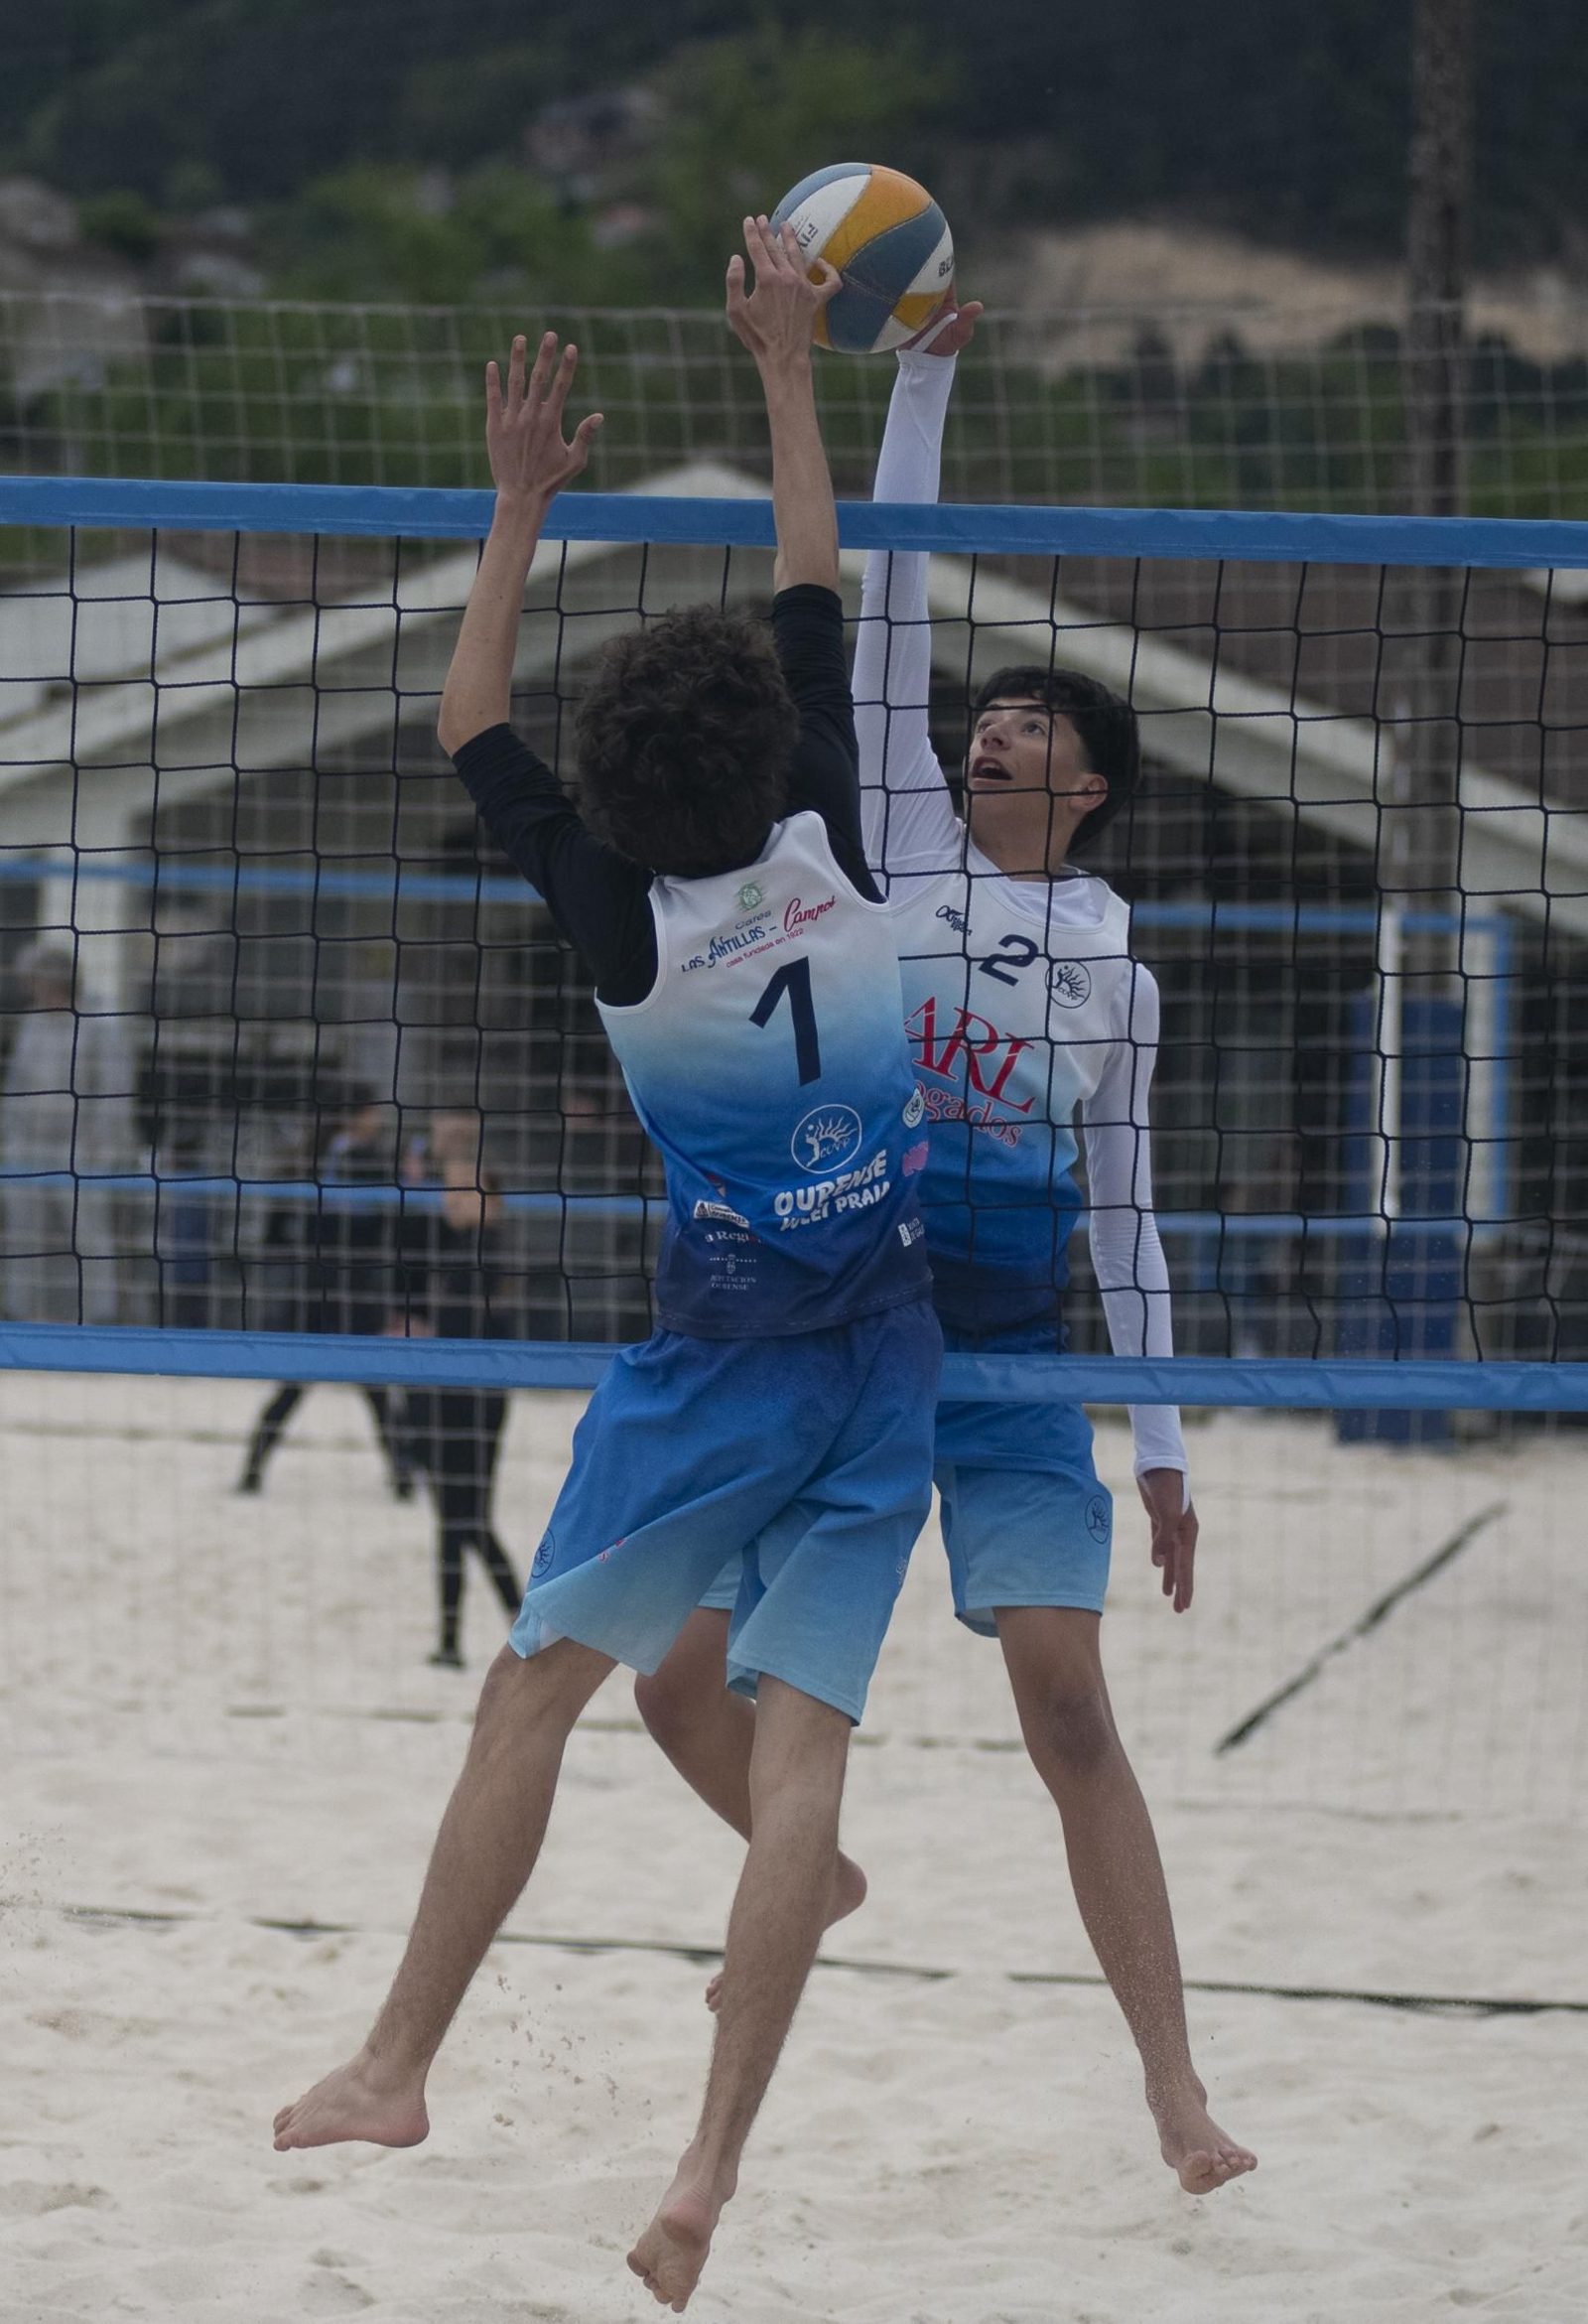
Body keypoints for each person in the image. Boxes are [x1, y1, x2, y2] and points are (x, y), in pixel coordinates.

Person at [272, 216, 943, 2315]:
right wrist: (786, 365)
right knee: (762, 1737)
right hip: (889, 1354)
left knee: (532, 1698)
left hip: (718, 1369)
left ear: (609, 796)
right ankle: (706, 2169)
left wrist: (518, 502)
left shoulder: (618, 923)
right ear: (762, 761)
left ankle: (395, 2063)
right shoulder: (831, 827)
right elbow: (811, 582)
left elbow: (472, 710)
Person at [634, 307, 1257, 2197]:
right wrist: (916, 372)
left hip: (1005, 1363)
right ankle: (808, 1868)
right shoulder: (901, 839)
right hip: (846, 1330)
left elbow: (1131, 1220)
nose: (994, 722)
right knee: (674, 1681)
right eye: (988, 711)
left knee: (1070, 1705)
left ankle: (1176, 2094)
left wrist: (1160, 1447)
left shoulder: (1116, 978)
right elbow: (881, 602)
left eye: (1035, 719)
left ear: (1084, 781)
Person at [235, 1094, 415, 1497]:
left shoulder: (360, 1161)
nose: (377, 1121)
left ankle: (402, 1476)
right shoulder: (323, 1160)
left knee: (373, 1391)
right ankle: (253, 1470)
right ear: (355, 1115)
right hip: (324, 1289)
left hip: (346, 1289)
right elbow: (279, 1228)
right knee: (297, 1387)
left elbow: (390, 1221)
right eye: (372, 1113)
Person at [391, 1155, 523, 1669]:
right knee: (454, 1521)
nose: (452, 1199)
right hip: (439, 1397)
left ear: (494, 1203)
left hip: (475, 1403)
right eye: (449, 1190)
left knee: (465, 1520)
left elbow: (479, 1327)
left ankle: (509, 1622)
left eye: (465, 1191)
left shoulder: (491, 1255)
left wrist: (428, 1331)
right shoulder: (446, 1249)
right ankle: (457, 1638)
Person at [0, 939, 134, 1324]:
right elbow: (16, 1084)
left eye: (35, 981)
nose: (30, 990)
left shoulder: (97, 1025)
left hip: (79, 1150)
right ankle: (19, 1311)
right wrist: (12, 1140)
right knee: (24, 1234)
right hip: (28, 1148)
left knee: (89, 1235)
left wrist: (101, 1145)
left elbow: (114, 1091)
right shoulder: (33, 1022)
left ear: (56, 981)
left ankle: (102, 1314)